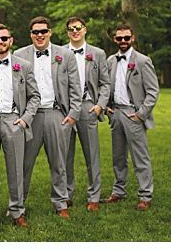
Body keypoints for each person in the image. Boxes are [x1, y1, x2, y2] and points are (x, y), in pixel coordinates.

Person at [14, 16, 81, 219]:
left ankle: (61, 203)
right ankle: (18, 205)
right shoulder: (19, 55)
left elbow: (75, 87)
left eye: (43, 31)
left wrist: (72, 115)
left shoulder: (65, 55)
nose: (40, 35)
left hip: (56, 114)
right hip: (30, 117)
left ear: (50, 32)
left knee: (59, 163)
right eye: (36, 32)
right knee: (23, 163)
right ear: (31, 35)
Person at [0, 24, 39, 229]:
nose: (0, 42)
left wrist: (25, 119)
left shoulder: (24, 65)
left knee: (16, 170)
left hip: (14, 120)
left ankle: (17, 211)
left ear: (11, 40)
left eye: (4, 38)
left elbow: (34, 96)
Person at [103, 24, 159, 211]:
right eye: (119, 38)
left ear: (132, 38)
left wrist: (141, 114)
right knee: (118, 156)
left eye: (126, 38)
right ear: (115, 39)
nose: (123, 41)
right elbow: (106, 86)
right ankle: (118, 191)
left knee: (140, 157)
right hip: (116, 114)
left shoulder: (143, 61)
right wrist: (107, 107)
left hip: (133, 114)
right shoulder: (110, 61)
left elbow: (153, 92)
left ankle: (145, 195)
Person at [63, 17, 110, 212]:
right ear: (67, 32)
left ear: (85, 29)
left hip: (87, 107)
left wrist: (99, 106)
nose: (75, 31)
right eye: (71, 29)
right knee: (65, 155)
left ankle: (94, 196)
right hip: (65, 109)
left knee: (92, 155)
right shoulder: (60, 53)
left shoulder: (97, 54)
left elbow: (105, 83)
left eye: (78, 28)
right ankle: (66, 194)